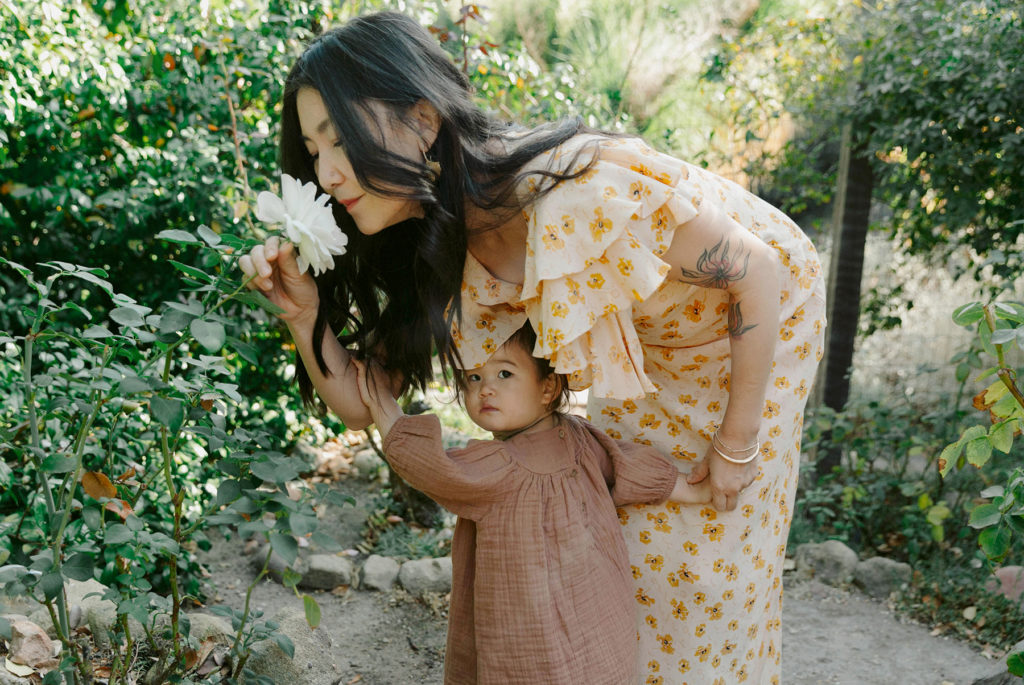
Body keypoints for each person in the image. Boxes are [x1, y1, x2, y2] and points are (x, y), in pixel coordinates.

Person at [239, 10, 826, 683]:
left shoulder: (571, 192)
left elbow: (758, 273)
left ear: (424, 121)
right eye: (314, 152)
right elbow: (361, 402)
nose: (328, 173)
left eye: (339, 139)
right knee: (623, 547)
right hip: (644, 344)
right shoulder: (435, 240)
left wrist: (736, 445)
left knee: (713, 571)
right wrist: (303, 314)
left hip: (759, 316)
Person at [352, 322, 710, 684]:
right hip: (598, 632)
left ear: (548, 386)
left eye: (504, 373)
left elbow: (430, 466)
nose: (485, 389)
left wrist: (381, 401)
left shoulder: (502, 465)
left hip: (526, 646)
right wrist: (697, 489)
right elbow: (626, 466)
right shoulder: (577, 439)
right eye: (473, 377)